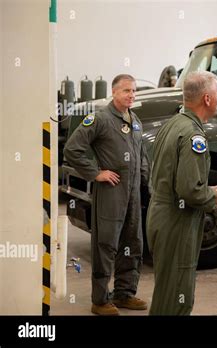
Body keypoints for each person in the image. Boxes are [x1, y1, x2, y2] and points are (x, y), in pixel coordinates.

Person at [147, 71, 217, 315]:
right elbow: (189, 191)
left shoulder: (173, 124)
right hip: (177, 222)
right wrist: (215, 196)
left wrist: (210, 189)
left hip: (161, 215)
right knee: (177, 298)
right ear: (207, 99)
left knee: (166, 291)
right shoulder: (194, 135)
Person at [64, 74, 149, 316]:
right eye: (126, 91)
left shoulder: (135, 121)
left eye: (133, 91)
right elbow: (72, 148)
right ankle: (100, 300)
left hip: (132, 192)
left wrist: (145, 180)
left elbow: (141, 154)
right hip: (111, 191)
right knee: (106, 244)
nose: (131, 95)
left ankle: (124, 294)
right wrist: (95, 173)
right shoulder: (99, 119)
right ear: (114, 92)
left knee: (133, 243)